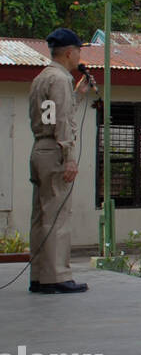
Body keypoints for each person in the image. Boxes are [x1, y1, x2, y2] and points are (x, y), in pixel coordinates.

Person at [27, 28, 92, 294]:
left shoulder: (42, 78)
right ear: (69, 52)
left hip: (39, 148)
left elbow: (53, 114)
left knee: (41, 215)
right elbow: (62, 122)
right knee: (57, 216)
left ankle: (40, 275)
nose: (79, 56)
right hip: (55, 150)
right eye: (78, 51)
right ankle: (57, 276)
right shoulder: (61, 79)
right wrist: (69, 158)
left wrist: (78, 94)